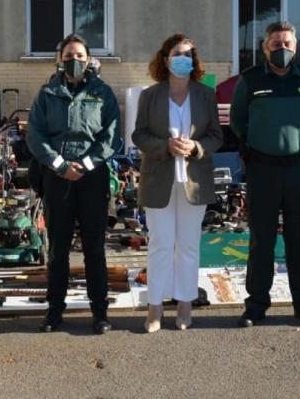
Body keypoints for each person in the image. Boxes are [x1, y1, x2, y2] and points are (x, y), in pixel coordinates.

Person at [230, 21, 300, 327]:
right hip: (263, 170)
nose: (281, 49)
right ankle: (256, 305)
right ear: (264, 47)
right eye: (275, 44)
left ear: (295, 47)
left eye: (287, 44)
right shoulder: (250, 80)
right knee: (262, 241)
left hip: (299, 169)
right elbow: (237, 121)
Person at [27, 34, 120, 334]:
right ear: (60, 59)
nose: (75, 60)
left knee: (94, 248)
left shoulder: (103, 93)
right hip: (57, 178)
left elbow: (112, 136)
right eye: (69, 55)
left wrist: (88, 164)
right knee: (58, 250)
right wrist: (59, 165)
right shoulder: (47, 94)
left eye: (80, 55)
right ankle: (55, 311)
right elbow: (35, 136)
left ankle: (99, 311)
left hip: (92, 179)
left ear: (88, 59)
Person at [132, 34, 223, 332]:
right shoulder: (150, 95)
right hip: (159, 179)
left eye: (188, 54)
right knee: (160, 245)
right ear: (165, 58)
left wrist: (195, 148)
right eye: (176, 53)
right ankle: (155, 307)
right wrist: (164, 146)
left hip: (194, 182)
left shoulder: (206, 95)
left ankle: (185, 304)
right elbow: (139, 136)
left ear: (193, 61)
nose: (182, 58)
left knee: (187, 246)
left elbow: (216, 137)